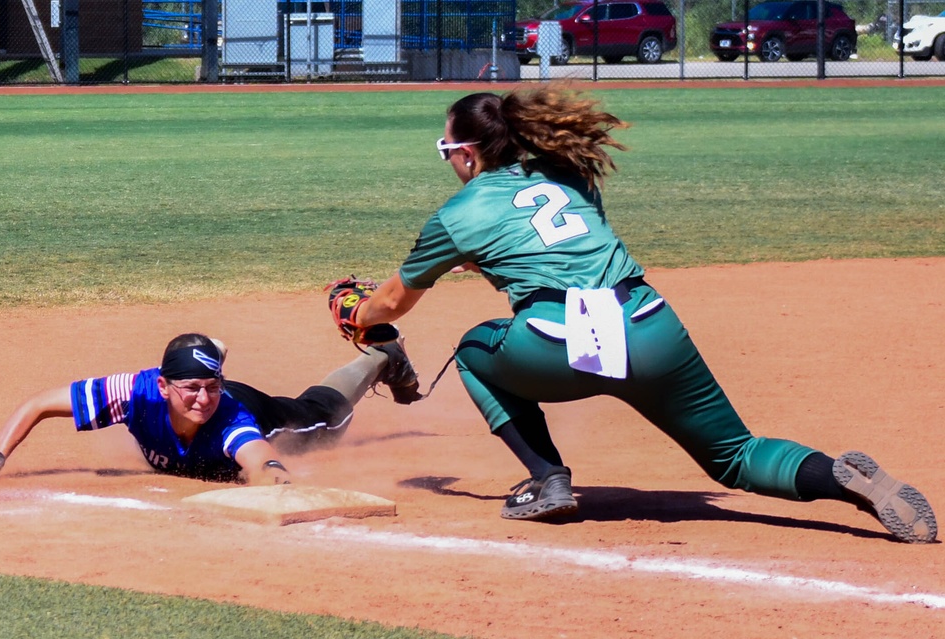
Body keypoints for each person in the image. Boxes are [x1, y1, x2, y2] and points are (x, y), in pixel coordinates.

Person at [341, 87, 937, 544]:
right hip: (649, 324)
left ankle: (548, 479)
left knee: (475, 348)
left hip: (561, 341)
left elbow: (392, 302)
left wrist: (354, 313)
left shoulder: (460, 212)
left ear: (467, 154)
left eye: (448, 150)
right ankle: (841, 478)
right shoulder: (567, 171)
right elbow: (554, 241)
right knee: (736, 457)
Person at [0, 328, 419, 485]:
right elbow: (37, 404)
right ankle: (212, 356)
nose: (202, 399)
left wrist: (276, 480)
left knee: (321, 412)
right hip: (190, 394)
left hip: (267, 413)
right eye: (190, 388)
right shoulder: (134, 392)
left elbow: (261, 460)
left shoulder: (230, 419)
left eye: (210, 386)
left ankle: (382, 355)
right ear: (163, 386)